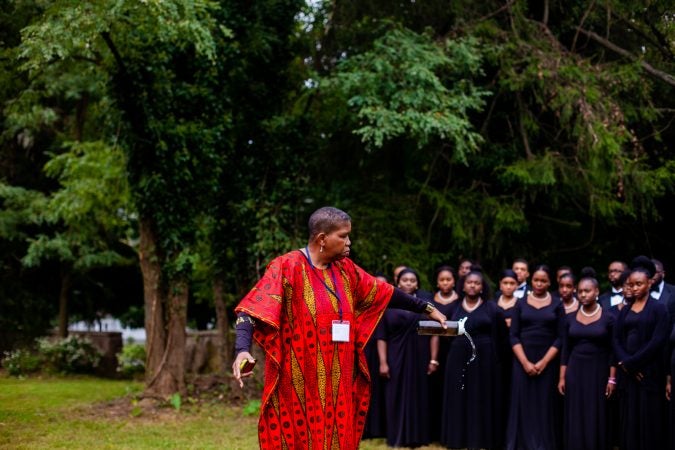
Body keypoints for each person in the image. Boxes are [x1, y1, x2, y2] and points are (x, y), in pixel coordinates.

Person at [231, 207, 447, 449]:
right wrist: (242, 349)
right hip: (298, 385)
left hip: (338, 386)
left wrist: (426, 308)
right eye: (343, 236)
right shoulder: (287, 267)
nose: (349, 242)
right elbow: (250, 311)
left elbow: (384, 292)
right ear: (322, 239)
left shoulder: (346, 270)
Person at [440, 270, 508, 450]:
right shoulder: (452, 307)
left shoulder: (492, 309)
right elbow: (444, 333)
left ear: (482, 287)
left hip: (484, 360)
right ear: (462, 285)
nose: (473, 285)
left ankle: (482, 439)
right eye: (469, 282)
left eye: (477, 283)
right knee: (458, 396)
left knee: (481, 397)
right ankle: (457, 439)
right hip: (457, 358)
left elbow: (501, 337)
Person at [376, 267, 436, 448]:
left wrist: (433, 359)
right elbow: (381, 336)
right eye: (405, 280)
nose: (409, 283)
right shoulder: (388, 304)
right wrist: (383, 362)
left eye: (412, 280)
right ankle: (396, 436)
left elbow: (435, 333)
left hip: (420, 354)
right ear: (397, 282)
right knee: (395, 394)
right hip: (396, 355)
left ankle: (418, 437)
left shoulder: (426, 304)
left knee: (419, 394)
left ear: (417, 283)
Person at [612, 262, 669, 450]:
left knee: (649, 418)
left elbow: (658, 341)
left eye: (639, 284)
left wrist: (634, 363)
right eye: (631, 284)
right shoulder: (625, 309)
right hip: (627, 374)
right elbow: (616, 339)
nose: (634, 288)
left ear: (649, 283)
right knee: (628, 417)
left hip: (649, 372)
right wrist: (626, 365)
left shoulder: (659, 308)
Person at [507, 264, 564, 450]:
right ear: (532, 281)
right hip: (522, 359)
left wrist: (544, 362)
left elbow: (561, 337)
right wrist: (525, 362)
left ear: (549, 283)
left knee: (544, 402)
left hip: (548, 360)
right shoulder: (520, 303)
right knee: (523, 401)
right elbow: (513, 335)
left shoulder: (557, 304)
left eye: (543, 281)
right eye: (536, 280)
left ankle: (543, 444)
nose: (539, 284)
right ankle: (521, 443)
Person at [558, 276, 615, 450]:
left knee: (595, 408)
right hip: (575, 369)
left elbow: (613, 350)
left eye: (587, 291)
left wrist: (612, 378)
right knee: (575, 408)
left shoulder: (609, 317)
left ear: (596, 292)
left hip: (598, 369)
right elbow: (565, 349)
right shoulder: (570, 317)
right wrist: (562, 377)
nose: (583, 294)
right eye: (580, 291)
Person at [428, 265, 459, 441]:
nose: (445, 283)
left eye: (449, 279)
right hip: (434, 351)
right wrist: (433, 359)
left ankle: (449, 430)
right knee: (434, 390)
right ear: (437, 282)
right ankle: (434, 431)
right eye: (442, 280)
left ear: (454, 281)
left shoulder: (461, 300)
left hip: (453, 350)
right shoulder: (431, 301)